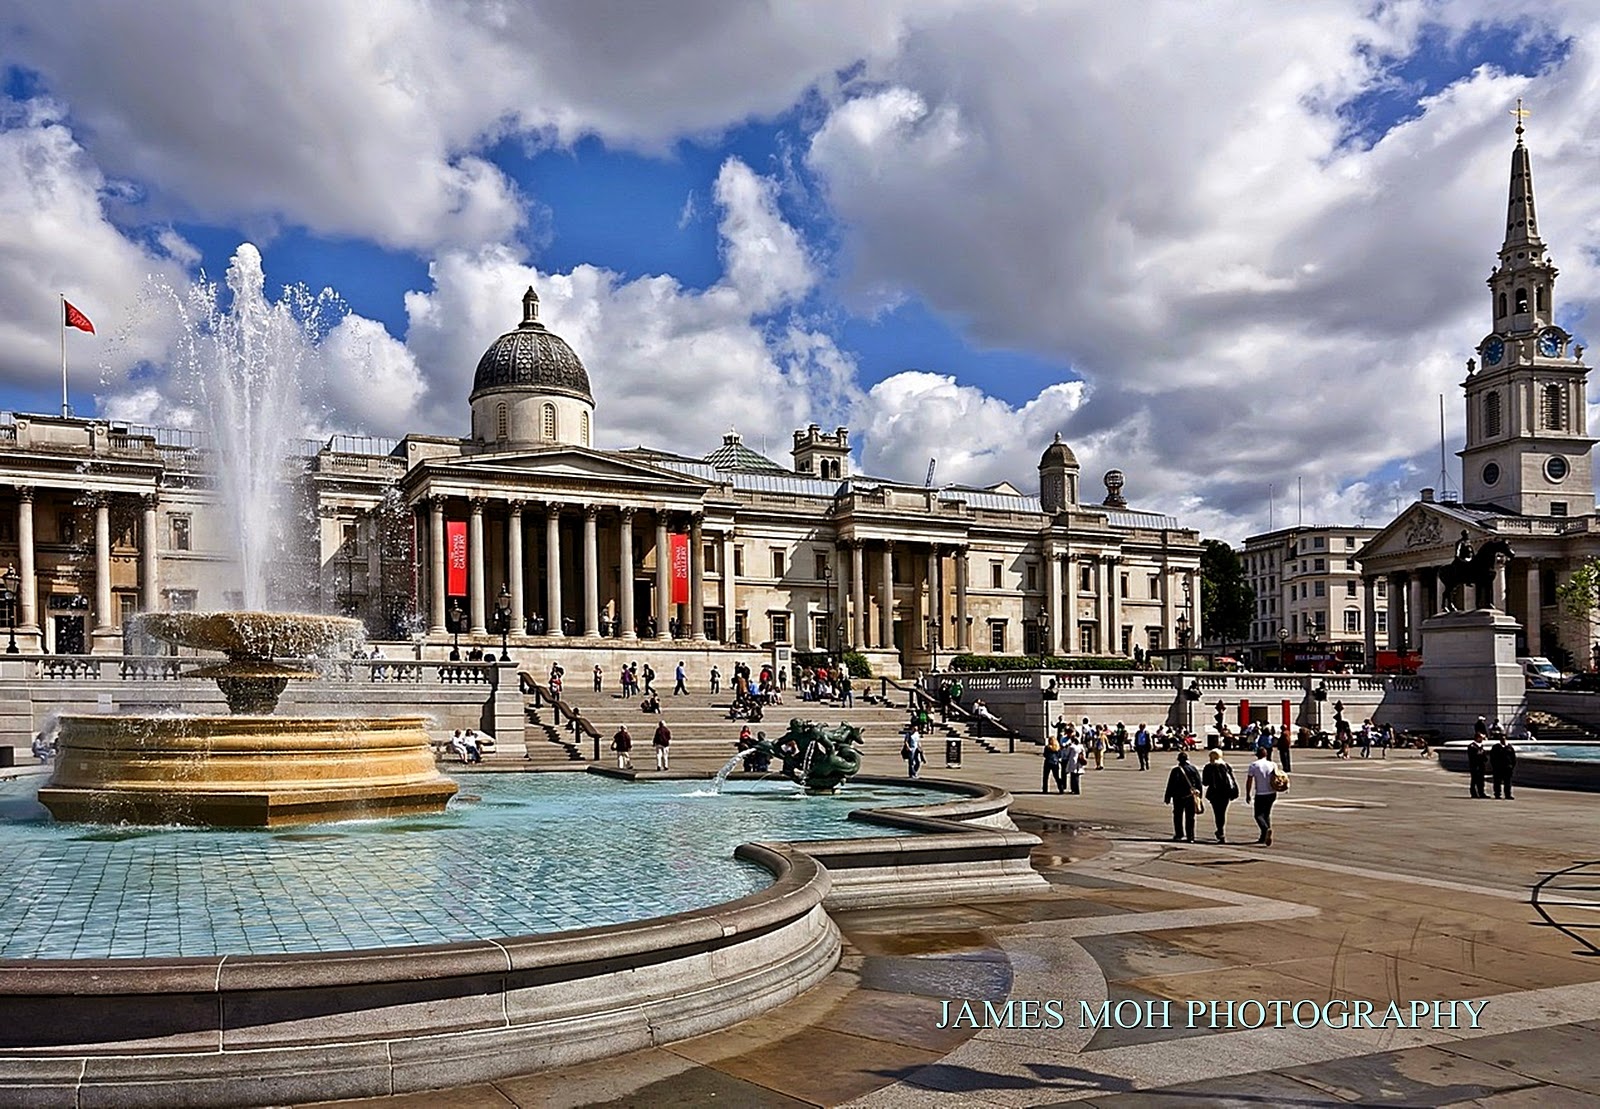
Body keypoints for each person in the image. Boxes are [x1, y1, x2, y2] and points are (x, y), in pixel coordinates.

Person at [1244, 745, 1281, 846]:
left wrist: (1248, 794)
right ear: (1266, 754)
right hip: (1272, 792)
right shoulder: (1272, 764)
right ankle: (1264, 836)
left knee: (1258, 815)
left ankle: (1266, 829)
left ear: (1257, 755)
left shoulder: (1254, 765)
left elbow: (1249, 781)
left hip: (1261, 793)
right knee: (1266, 814)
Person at [1200, 749, 1239, 843]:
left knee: (1217, 813)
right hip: (1225, 793)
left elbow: (1205, 782)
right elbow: (1231, 779)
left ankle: (1220, 831)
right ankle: (1220, 831)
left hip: (1214, 793)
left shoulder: (1209, 767)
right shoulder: (1226, 766)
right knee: (1222, 812)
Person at [1163, 751, 1203, 842]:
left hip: (1178, 797)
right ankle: (1190, 836)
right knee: (1190, 817)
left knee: (1178, 816)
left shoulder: (1175, 770)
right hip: (1190, 796)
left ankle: (1179, 834)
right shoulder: (1193, 769)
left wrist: (1167, 796)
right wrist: (1199, 796)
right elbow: (1198, 783)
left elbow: (1171, 785)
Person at [1489, 728, 1517, 799]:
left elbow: (1513, 758)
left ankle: (1508, 794)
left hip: (1507, 767)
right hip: (1498, 768)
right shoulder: (1496, 747)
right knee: (1497, 781)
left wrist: (1512, 766)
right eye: (1502, 739)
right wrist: (1494, 766)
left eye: (1504, 738)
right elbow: (1492, 758)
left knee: (1508, 782)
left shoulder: (1509, 747)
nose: (1503, 740)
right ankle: (1497, 794)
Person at [1466, 732, 1489, 798]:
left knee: (1481, 780)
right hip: (1475, 765)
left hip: (1481, 765)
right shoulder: (1472, 746)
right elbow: (1473, 756)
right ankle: (1474, 793)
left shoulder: (1481, 746)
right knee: (1474, 780)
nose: (1482, 739)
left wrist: (1485, 759)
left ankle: (1481, 792)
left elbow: (1483, 755)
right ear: (1477, 738)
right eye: (1481, 738)